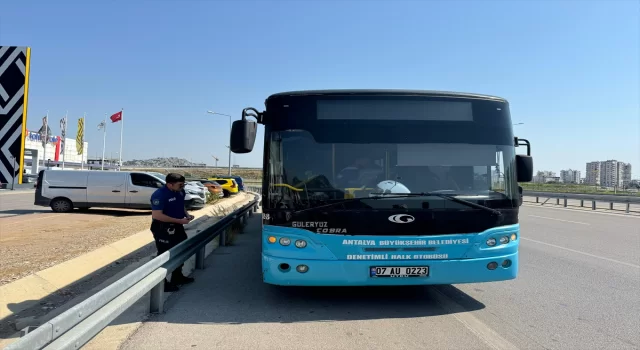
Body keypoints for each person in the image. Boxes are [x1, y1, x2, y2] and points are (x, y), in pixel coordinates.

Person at [150, 173, 195, 292]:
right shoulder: (159, 195)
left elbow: (181, 205)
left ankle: (177, 277)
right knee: (164, 255)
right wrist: (179, 220)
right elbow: (157, 215)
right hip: (163, 228)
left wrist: (187, 215)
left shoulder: (180, 192)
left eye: (183, 184)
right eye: (180, 185)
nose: (183, 187)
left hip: (178, 226)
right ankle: (162, 284)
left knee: (181, 250)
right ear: (170, 184)